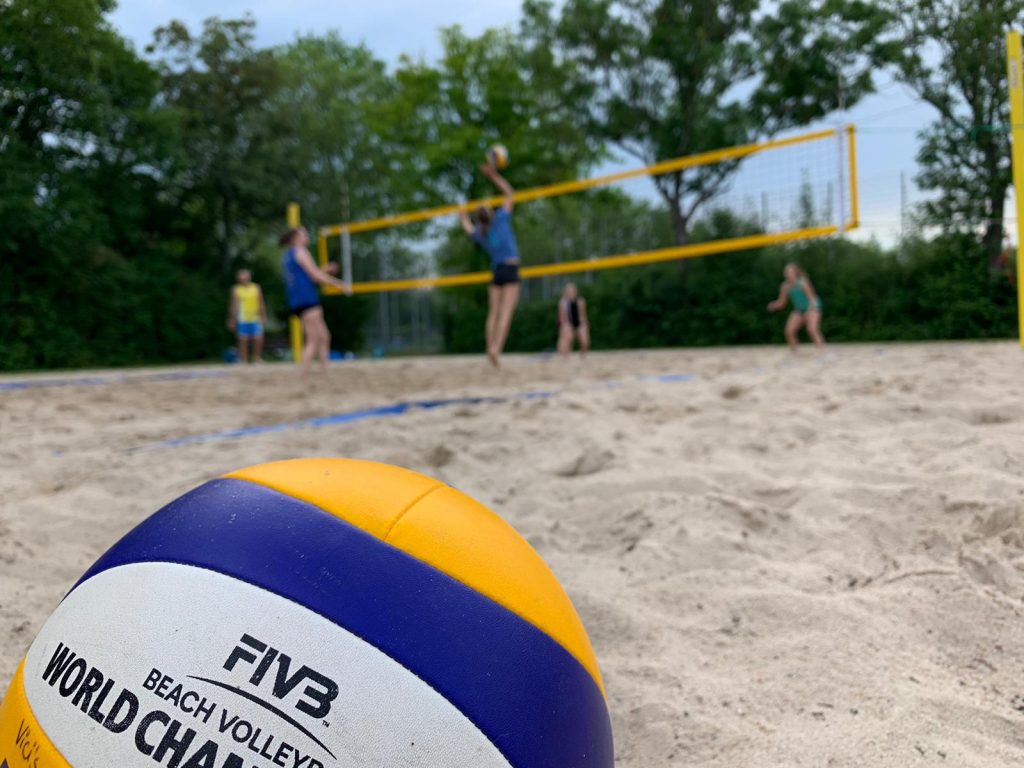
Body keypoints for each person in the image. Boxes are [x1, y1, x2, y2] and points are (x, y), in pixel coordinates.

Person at [459, 162, 520, 368]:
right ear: (491, 214)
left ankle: (488, 346)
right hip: (510, 268)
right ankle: (496, 349)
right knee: (505, 314)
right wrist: (492, 176)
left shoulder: (481, 233)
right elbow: (509, 193)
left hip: (496, 271)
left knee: (493, 313)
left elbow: (468, 228)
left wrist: (462, 215)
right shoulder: (501, 219)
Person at [280, 227, 350, 377]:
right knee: (314, 339)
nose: (307, 235)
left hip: (298, 300)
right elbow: (315, 276)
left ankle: (325, 371)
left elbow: (308, 273)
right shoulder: (301, 251)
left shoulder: (289, 254)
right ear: (296, 237)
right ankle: (303, 374)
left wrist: (324, 270)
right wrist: (338, 283)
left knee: (324, 336)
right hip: (306, 299)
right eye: (304, 233)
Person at [767, 262, 825, 350]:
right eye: (786, 272)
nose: (788, 274)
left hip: (813, 307)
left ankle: (821, 350)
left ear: (795, 273)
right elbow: (782, 303)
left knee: (812, 330)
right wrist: (774, 305)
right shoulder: (785, 286)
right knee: (789, 331)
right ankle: (794, 352)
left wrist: (808, 312)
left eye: (790, 272)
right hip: (799, 309)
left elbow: (812, 299)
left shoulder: (803, 283)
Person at [227, 269, 267, 364]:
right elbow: (233, 305)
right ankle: (243, 360)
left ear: (249, 277)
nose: (243, 278)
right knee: (243, 340)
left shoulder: (256, 288)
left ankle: (257, 358)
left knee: (258, 338)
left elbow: (261, 303)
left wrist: (263, 316)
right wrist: (232, 319)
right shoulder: (236, 289)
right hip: (242, 318)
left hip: (255, 317)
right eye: (241, 276)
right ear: (238, 278)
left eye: (245, 276)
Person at [557, 282, 590, 358]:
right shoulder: (562, 303)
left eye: (572, 291)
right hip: (567, 322)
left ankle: (583, 356)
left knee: (585, 341)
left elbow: (583, 315)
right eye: (569, 291)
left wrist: (585, 324)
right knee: (567, 338)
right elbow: (561, 317)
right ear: (565, 292)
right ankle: (565, 357)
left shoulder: (581, 301)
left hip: (579, 322)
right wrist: (562, 328)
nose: (571, 293)